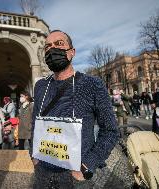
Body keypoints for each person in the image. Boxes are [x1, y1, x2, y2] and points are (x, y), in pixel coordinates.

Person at [31, 30, 118, 188]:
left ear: (72, 52)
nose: (52, 49)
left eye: (59, 44)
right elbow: (35, 123)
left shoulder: (92, 84)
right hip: (42, 173)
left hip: (75, 177)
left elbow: (111, 131)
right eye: (47, 47)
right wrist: (34, 156)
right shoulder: (40, 86)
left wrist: (88, 164)